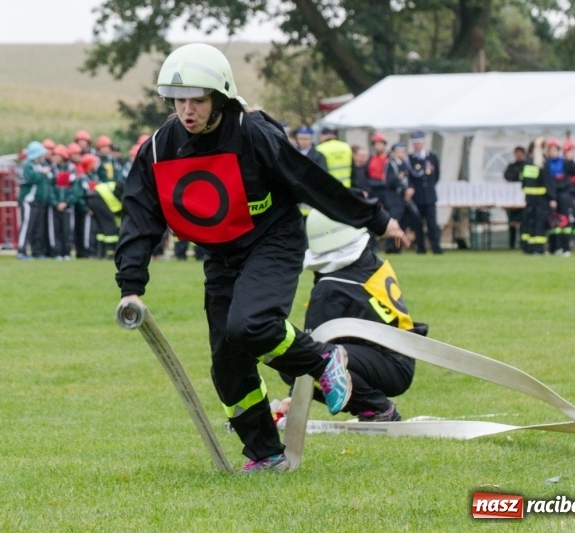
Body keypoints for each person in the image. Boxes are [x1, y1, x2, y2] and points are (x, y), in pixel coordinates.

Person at [115, 43, 408, 472]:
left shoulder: (252, 132)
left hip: (273, 240)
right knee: (227, 364)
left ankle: (324, 359)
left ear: (221, 96)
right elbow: (139, 218)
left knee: (250, 324)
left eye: (197, 100)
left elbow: (312, 182)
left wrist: (376, 218)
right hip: (221, 255)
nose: (187, 111)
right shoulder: (159, 149)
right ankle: (266, 454)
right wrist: (131, 287)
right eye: (179, 101)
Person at [278, 210, 425, 420]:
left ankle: (375, 407)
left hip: (386, 365)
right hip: (400, 357)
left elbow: (312, 348)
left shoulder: (330, 287)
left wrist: (296, 395)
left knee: (293, 359)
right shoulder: (368, 263)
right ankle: (372, 404)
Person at [17, 141, 53, 260]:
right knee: (27, 226)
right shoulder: (28, 165)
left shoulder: (39, 165)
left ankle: (37, 251)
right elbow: (33, 178)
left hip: (39, 202)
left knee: (38, 228)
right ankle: (21, 250)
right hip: (28, 201)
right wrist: (42, 173)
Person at [408, 132, 443, 254]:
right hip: (417, 196)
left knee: (432, 223)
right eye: (415, 143)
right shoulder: (410, 158)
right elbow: (410, 177)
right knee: (418, 224)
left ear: (423, 143)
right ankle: (420, 247)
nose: (417, 145)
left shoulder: (431, 156)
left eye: (419, 143)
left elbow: (436, 175)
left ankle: (436, 247)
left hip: (430, 195)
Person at [520, 139, 556, 255]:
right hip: (541, 198)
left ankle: (527, 247)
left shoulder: (526, 164)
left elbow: (523, 181)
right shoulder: (541, 164)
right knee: (540, 223)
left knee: (529, 222)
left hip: (529, 198)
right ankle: (538, 248)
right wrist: (552, 198)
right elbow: (547, 182)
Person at [381, 143, 415, 254]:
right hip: (393, 198)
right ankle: (391, 246)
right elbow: (389, 181)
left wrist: (410, 188)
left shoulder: (404, 164)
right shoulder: (391, 164)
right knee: (394, 222)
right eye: (400, 151)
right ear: (394, 152)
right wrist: (403, 189)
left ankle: (398, 246)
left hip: (403, 198)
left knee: (403, 222)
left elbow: (408, 179)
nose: (403, 153)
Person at [49, 145, 77, 260]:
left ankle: (66, 252)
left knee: (67, 230)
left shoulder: (71, 169)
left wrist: (67, 202)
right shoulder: (52, 170)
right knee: (55, 230)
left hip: (68, 207)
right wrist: (56, 203)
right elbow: (49, 189)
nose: (54, 157)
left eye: (57, 155)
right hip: (54, 207)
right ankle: (57, 253)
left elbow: (75, 189)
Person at [503, 146, 526, 250]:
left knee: (522, 223)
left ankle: (522, 243)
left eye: (520, 154)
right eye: (516, 154)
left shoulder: (526, 165)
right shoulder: (511, 166)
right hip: (512, 199)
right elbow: (507, 176)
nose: (518, 156)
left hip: (522, 199)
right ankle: (511, 244)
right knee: (511, 223)